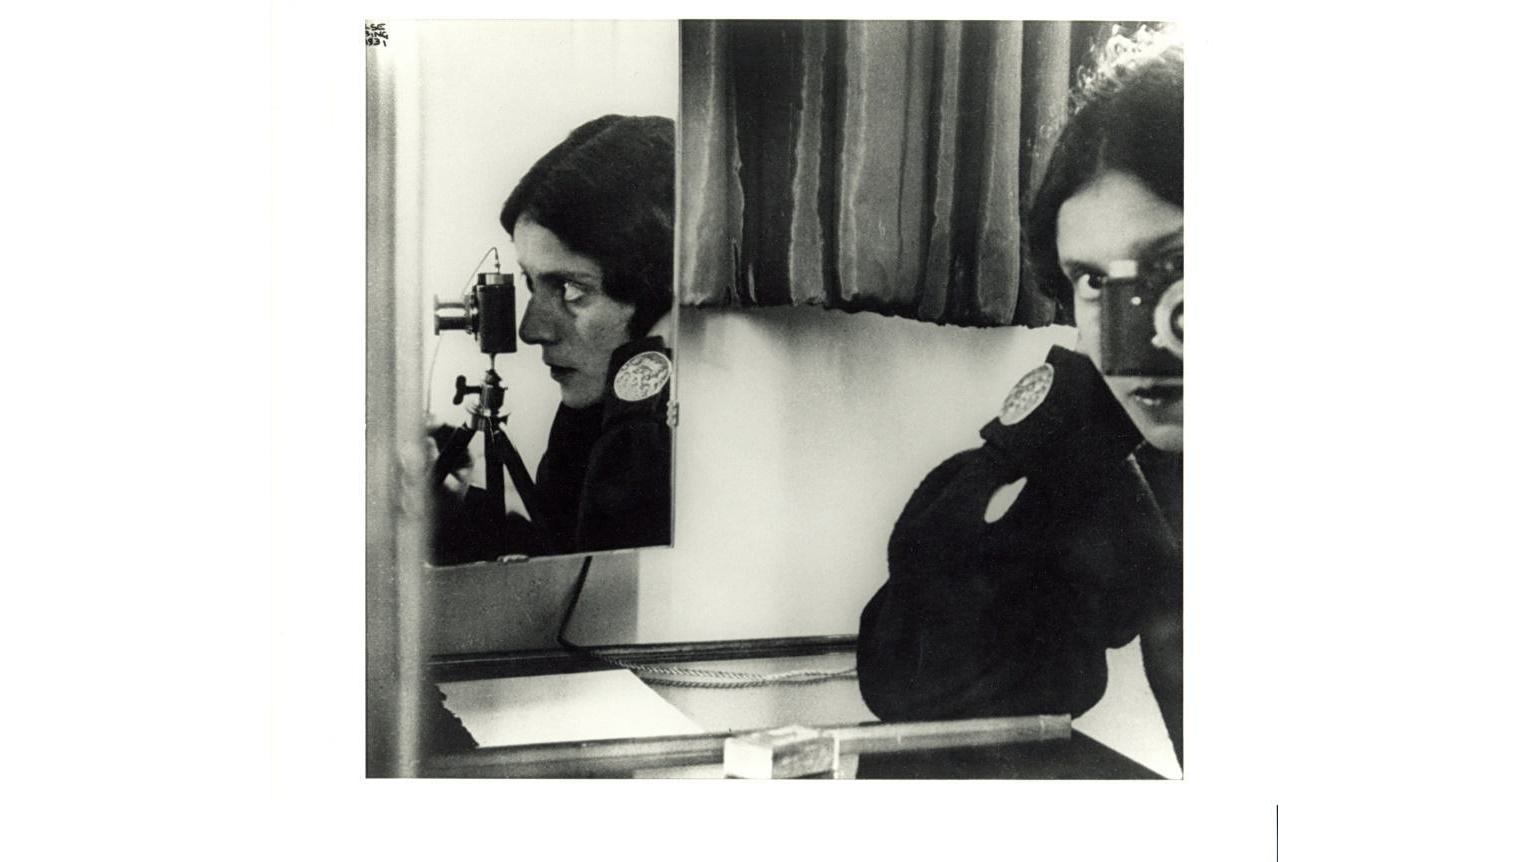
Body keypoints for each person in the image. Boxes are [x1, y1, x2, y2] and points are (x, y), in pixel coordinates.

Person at [857, 28, 1184, 766]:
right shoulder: (1138, 459)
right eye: (1093, 281)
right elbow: (919, 686)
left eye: (1176, 261)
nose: (1129, 330)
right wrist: (1055, 427)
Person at [428, 114, 676, 563]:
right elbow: (563, 557)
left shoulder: (663, 437)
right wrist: (452, 504)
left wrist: (641, 399)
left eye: (571, 290)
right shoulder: (588, 412)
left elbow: (610, 588)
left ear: (658, 296)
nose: (530, 329)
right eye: (531, 283)